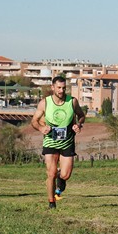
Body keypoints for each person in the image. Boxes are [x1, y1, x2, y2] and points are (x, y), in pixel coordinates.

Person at [31, 76, 85, 209]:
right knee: (51, 173)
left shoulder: (72, 102)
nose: (61, 91)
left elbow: (81, 115)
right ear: (53, 88)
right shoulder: (45, 103)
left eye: (64, 88)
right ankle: (51, 203)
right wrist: (41, 128)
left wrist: (78, 124)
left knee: (65, 174)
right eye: (59, 88)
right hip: (50, 142)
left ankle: (61, 181)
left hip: (67, 142)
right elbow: (34, 121)